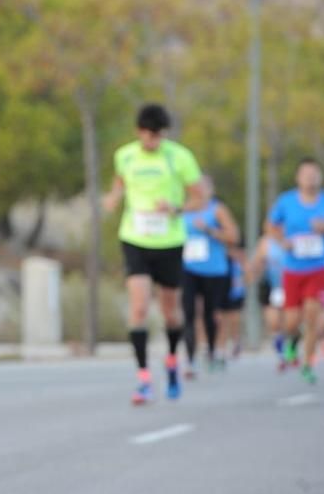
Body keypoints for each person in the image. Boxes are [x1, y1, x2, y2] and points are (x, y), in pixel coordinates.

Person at [103, 103, 204, 404]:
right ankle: (143, 378)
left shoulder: (180, 157)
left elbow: (200, 198)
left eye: (158, 136)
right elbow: (120, 183)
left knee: (171, 313)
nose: (153, 142)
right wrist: (112, 198)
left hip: (170, 241)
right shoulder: (125, 155)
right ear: (138, 133)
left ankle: (172, 359)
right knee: (138, 309)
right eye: (148, 136)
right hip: (135, 238)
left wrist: (176, 208)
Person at [266, 157, 324, 385]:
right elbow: (271, 226)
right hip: (293, 269)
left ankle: (308, 363)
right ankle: (292, 341)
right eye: (306, 174)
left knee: (312, 317)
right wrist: (283, 242)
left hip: (319, 268)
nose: (311, 178)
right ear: (298, 178)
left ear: (320, 177)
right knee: (292, 321)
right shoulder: (286, 201)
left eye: (315, 174)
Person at [180, 176, 240, 377]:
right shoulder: (181, 209)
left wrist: (209, 230)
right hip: (187, 268)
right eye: (196, 187)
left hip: (214, 269)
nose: (199, 191)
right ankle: (190, 358)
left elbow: (233, 236)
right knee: (189, 312)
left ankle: (213, 350)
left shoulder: (217, 209)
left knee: (210, 313)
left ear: (210, 190)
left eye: (204, 187)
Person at [247, 232, 290, 370]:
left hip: (293, 285)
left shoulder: (297, 236)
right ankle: (281, 353)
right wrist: (255, 270)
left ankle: (291, 346)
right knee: (274, 322)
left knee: (290, 322)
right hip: (273, 286)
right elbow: (256, 263)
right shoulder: (266, 242)